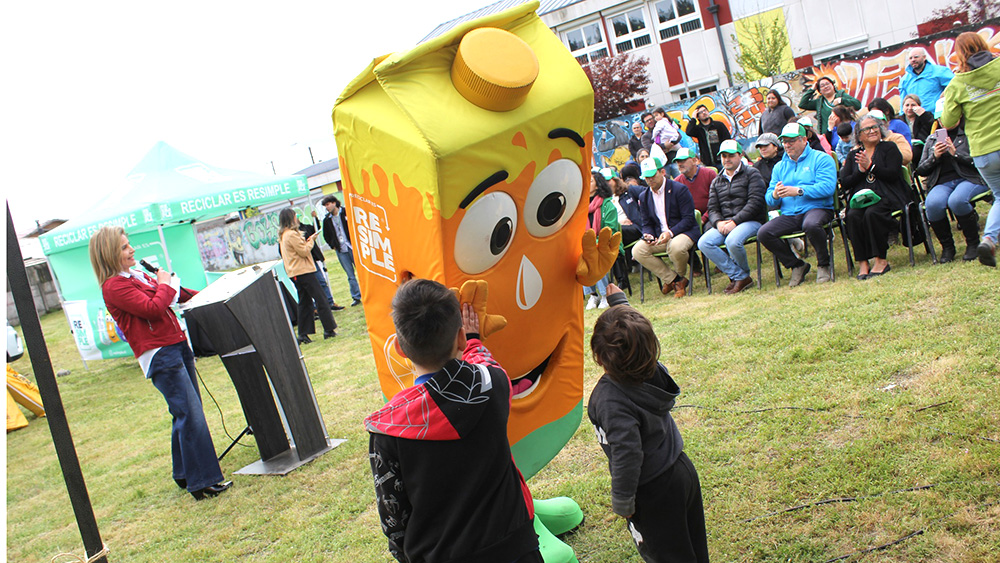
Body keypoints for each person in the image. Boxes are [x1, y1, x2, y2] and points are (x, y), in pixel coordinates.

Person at [365, 279, 541, 563]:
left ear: (399, 347)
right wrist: (472, 341)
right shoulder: (493, 385)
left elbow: (393, 518)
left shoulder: (388, 430)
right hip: (515, 547)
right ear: (458, 338)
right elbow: (486, 363)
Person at [88, 226, 231, 501]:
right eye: (124, 247)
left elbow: (172, 295)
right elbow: (153, 307)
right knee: (190, 414)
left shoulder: (135, 276)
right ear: (109, 254)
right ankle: (203, 481)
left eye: (129, 244)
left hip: (176, 345)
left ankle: (185, 474)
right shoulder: (114, 286)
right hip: (160, 354)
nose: (131, 250)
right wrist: (165, 284)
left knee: (186, 412)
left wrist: (214, 292)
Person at [588, 284, 709, 563]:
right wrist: (619, 301)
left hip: (653, 490)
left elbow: (627, 454)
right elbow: (635, 333)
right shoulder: (651, 367)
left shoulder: (610, 399)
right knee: (693, 548)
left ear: (598, 353)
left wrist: (623, 501)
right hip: (681, 471)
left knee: (668, 556)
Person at [941, 31, 1000, 267]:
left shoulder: (958, 83)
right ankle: (990, 238)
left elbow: (948, 121)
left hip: (983, 150)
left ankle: (989, 238)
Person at [758, 123, 838, 286]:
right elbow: (769, 199)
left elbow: (828, 188)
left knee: (811, 224)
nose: (787, 145)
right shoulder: (780, 166)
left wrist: (800, 191)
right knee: (764, 233)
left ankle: (824, 264)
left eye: (791, 141)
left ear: (803, 139)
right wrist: (774, 194)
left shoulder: (821, 158)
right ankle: (797, 265)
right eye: (784, 141)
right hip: (790, 213)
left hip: (818, 208)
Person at [839, 116, 912, 279]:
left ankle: (881, 260)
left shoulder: (889, 148)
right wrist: (860, 171)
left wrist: (871, 166)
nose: (872, 131)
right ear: (859, 135)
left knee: (872, 213)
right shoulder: (853, 155)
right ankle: (863, 262)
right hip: (861, 200)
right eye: (867, 129)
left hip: (888, 196)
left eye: (875, 127)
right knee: (852, 216)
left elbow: (893, 175)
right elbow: (845, 182)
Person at [698, 139, 767, 294]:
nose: (727, 159)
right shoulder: (717, 180)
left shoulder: (752, 173)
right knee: (704, 242)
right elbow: (713, 207)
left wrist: (735, 221)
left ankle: (741, 278)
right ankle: (740, 276)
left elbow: (755, 203)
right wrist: (718, 223)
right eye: (723, 156)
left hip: (751, 220)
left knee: (732, 241)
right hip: (725, 223)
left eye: (730, 155)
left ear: (740, 155)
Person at [918, 113, 989, 262]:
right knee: (933, 204)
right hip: (942, 183)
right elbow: (921, 170)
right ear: (938, 120)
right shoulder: (932, 140)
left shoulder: (970, 133)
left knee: (957, 200)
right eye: (942, 118)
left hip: (970, 178)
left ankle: (973, 243)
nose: (947, 121)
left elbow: (981, 160)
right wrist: (935, 157)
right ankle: (948, 247)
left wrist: (955, 154)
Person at [632, 155, 700, 298]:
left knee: (675, 247)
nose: (650, 180)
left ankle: (678, 279)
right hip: (659, 236)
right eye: (646, 177)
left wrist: (670, 232)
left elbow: (689, 219)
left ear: (662, 172)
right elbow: (646, 223)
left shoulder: (679, 189)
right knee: (637, 250)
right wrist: (648, 235)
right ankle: (676, 280)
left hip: (684, 232)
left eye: (652, 175)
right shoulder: (644, 196)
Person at [278, 207, 337, 344]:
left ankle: (303, 334)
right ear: (291, 219)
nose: (297, 218)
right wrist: (311, 240)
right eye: (295, 216)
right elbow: (304, 251)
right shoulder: (291, 234)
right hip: (303, 271)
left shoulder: (284, 235)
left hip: (295, 273)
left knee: (305, 303)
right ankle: (329, 329)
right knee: (321, 299)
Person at [585, 171, 620, 309]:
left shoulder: (607, 205)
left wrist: (594, 242)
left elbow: (610, 230)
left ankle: (606, 295)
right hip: (588, 245)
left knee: (595, 255)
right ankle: (593, 295)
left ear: (598, 186)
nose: (587, 184)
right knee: (577, 256)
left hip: (607, 244)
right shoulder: (580, 207)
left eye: (591, 181)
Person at [321, 195, 362, 306]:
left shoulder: (346, 212)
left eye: (328, 204)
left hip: (352, 246)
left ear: (334, 202)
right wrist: (332, 245)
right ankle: (356, 296)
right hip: (341, 249)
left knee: (362, 270)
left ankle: (368, 292)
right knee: (350, 274)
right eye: (325, 206)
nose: (327, 207)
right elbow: (326, 235)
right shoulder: (327, 220)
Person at [302, 211, 345, 312]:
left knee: (321, 281)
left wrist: (315, 218)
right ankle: (315, 307)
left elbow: (315, 229)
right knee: (310, 286)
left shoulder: (305, 228)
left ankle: (330, 302)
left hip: (312, 259)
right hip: (303, 264)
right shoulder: (291, 235)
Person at [899, 47, 955, 111]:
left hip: (937, 116)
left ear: (924, 57)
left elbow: (954, 86)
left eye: (916, 57)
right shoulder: (905, 80)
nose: (913, 60)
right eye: (910, 58)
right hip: (917, 118)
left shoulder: (939, 72)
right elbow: (903, 102)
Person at [673, 147, 717, 223]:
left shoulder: (710, 174)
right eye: (678, 161)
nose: (680, 164)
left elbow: (717, 201)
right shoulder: (676, 182)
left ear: (694, 161)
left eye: (683, 160)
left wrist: (703, 219)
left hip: (711, 216)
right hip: (688, 221)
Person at [685, 105, 731, 170]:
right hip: (707, 163)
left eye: (705, 110)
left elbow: (728, 140)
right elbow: (689, 132)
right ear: (697, 116)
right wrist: (693, 119)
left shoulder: (718, 125)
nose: (704, 113)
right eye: (701, 112)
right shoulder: (698, 129)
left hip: (721, 161)